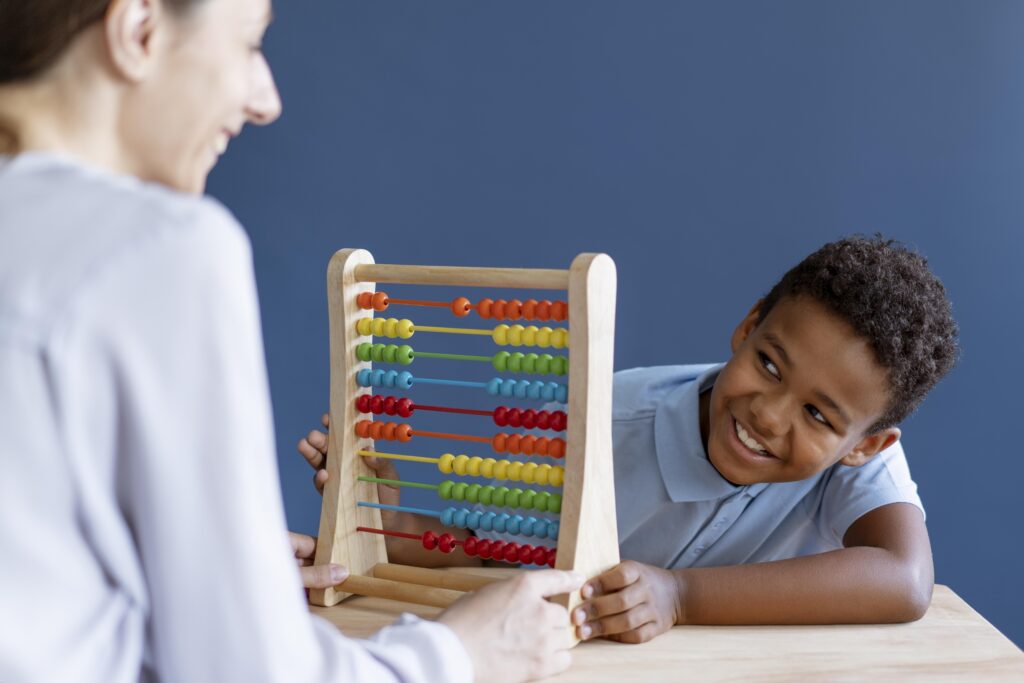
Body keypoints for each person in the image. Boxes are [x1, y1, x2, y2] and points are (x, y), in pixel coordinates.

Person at [0, 1, 583, 682]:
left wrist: (208, 572)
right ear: (140, 32)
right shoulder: (160, 245)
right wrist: (458, 654)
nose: (265, 100)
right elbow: (243, 670)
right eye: (249, 44)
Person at [300, 235, 959, 643]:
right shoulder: (603, 422)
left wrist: (681, 595)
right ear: (747, 327)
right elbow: (485, 543)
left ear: (865, 445)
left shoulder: (858, 454)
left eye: (817, 414)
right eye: (769, 364)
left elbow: (904, 579)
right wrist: (380, 517)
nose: (770, 413)